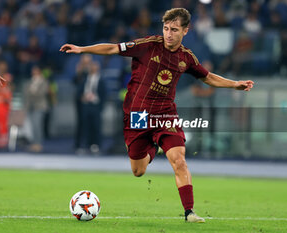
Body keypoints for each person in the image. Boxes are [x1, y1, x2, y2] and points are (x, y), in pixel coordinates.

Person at [60, 8, 254, 223]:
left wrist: (234, 84)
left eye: (174, 29)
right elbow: (113, 48)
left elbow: (207, 77)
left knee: (179, 160)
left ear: (185, 31)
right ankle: (154, 146)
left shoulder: (186, 58)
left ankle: (189, 212)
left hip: (165, 114)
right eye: (166, 28)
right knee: (138, 170)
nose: (168, 34)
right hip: (138, 115)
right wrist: (82, 49)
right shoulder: (147, 46)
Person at [24, 65, 49, 153]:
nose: (33, 72)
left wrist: (33, 92)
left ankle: (38, 144)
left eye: (35, 71)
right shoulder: (30, 81)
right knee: (33, 126)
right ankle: (34, 143)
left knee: (38, 125)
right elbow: (26, 93)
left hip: (40, 106)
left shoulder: (44, 82)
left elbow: (42, 93)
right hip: (31, 107)